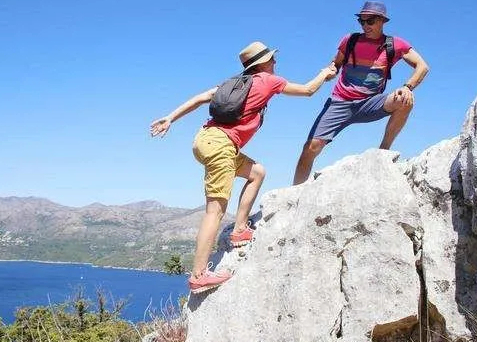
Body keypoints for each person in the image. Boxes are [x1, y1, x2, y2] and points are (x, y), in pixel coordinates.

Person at [150, 41, 337, 293]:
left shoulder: (232, 83)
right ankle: (198, 276)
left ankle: (239, 229)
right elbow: (307, 90)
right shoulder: (268, 80)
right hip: (221, 145)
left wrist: (170, 117)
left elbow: (199, 99)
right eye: (272, 59)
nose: (275, 62)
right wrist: (325, 74)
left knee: (257, 172)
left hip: (206, 139)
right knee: (215, 211)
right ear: (262, 63)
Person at [292, 1, 429, 185]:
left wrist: (407, 86)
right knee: (311, 148)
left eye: (370, 21)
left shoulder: (394, 44)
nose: (365, 26)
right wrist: (330, 71)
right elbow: (336, 64)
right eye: (362, 21)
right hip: (339, 102)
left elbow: (422, 66)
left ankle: (383, 152)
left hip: (370, 103)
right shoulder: (350, 40)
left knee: (405, 100)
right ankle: (295, 194)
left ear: (382, 21)